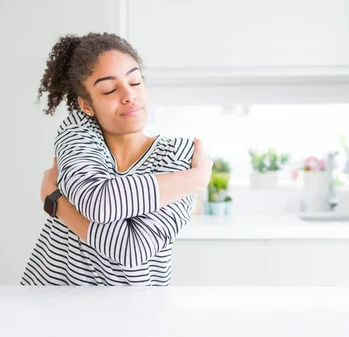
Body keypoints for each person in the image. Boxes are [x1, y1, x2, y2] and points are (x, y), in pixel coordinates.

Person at [20, 32, 212, 286]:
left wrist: (56, 203)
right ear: (87, 105)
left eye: (135, 82)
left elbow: (132, 251)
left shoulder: (177, 155)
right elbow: (98, 201)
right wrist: (193, 180)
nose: (129, 95)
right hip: (48, 302)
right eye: (110, 89)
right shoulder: (77, 131)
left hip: (132, 315)